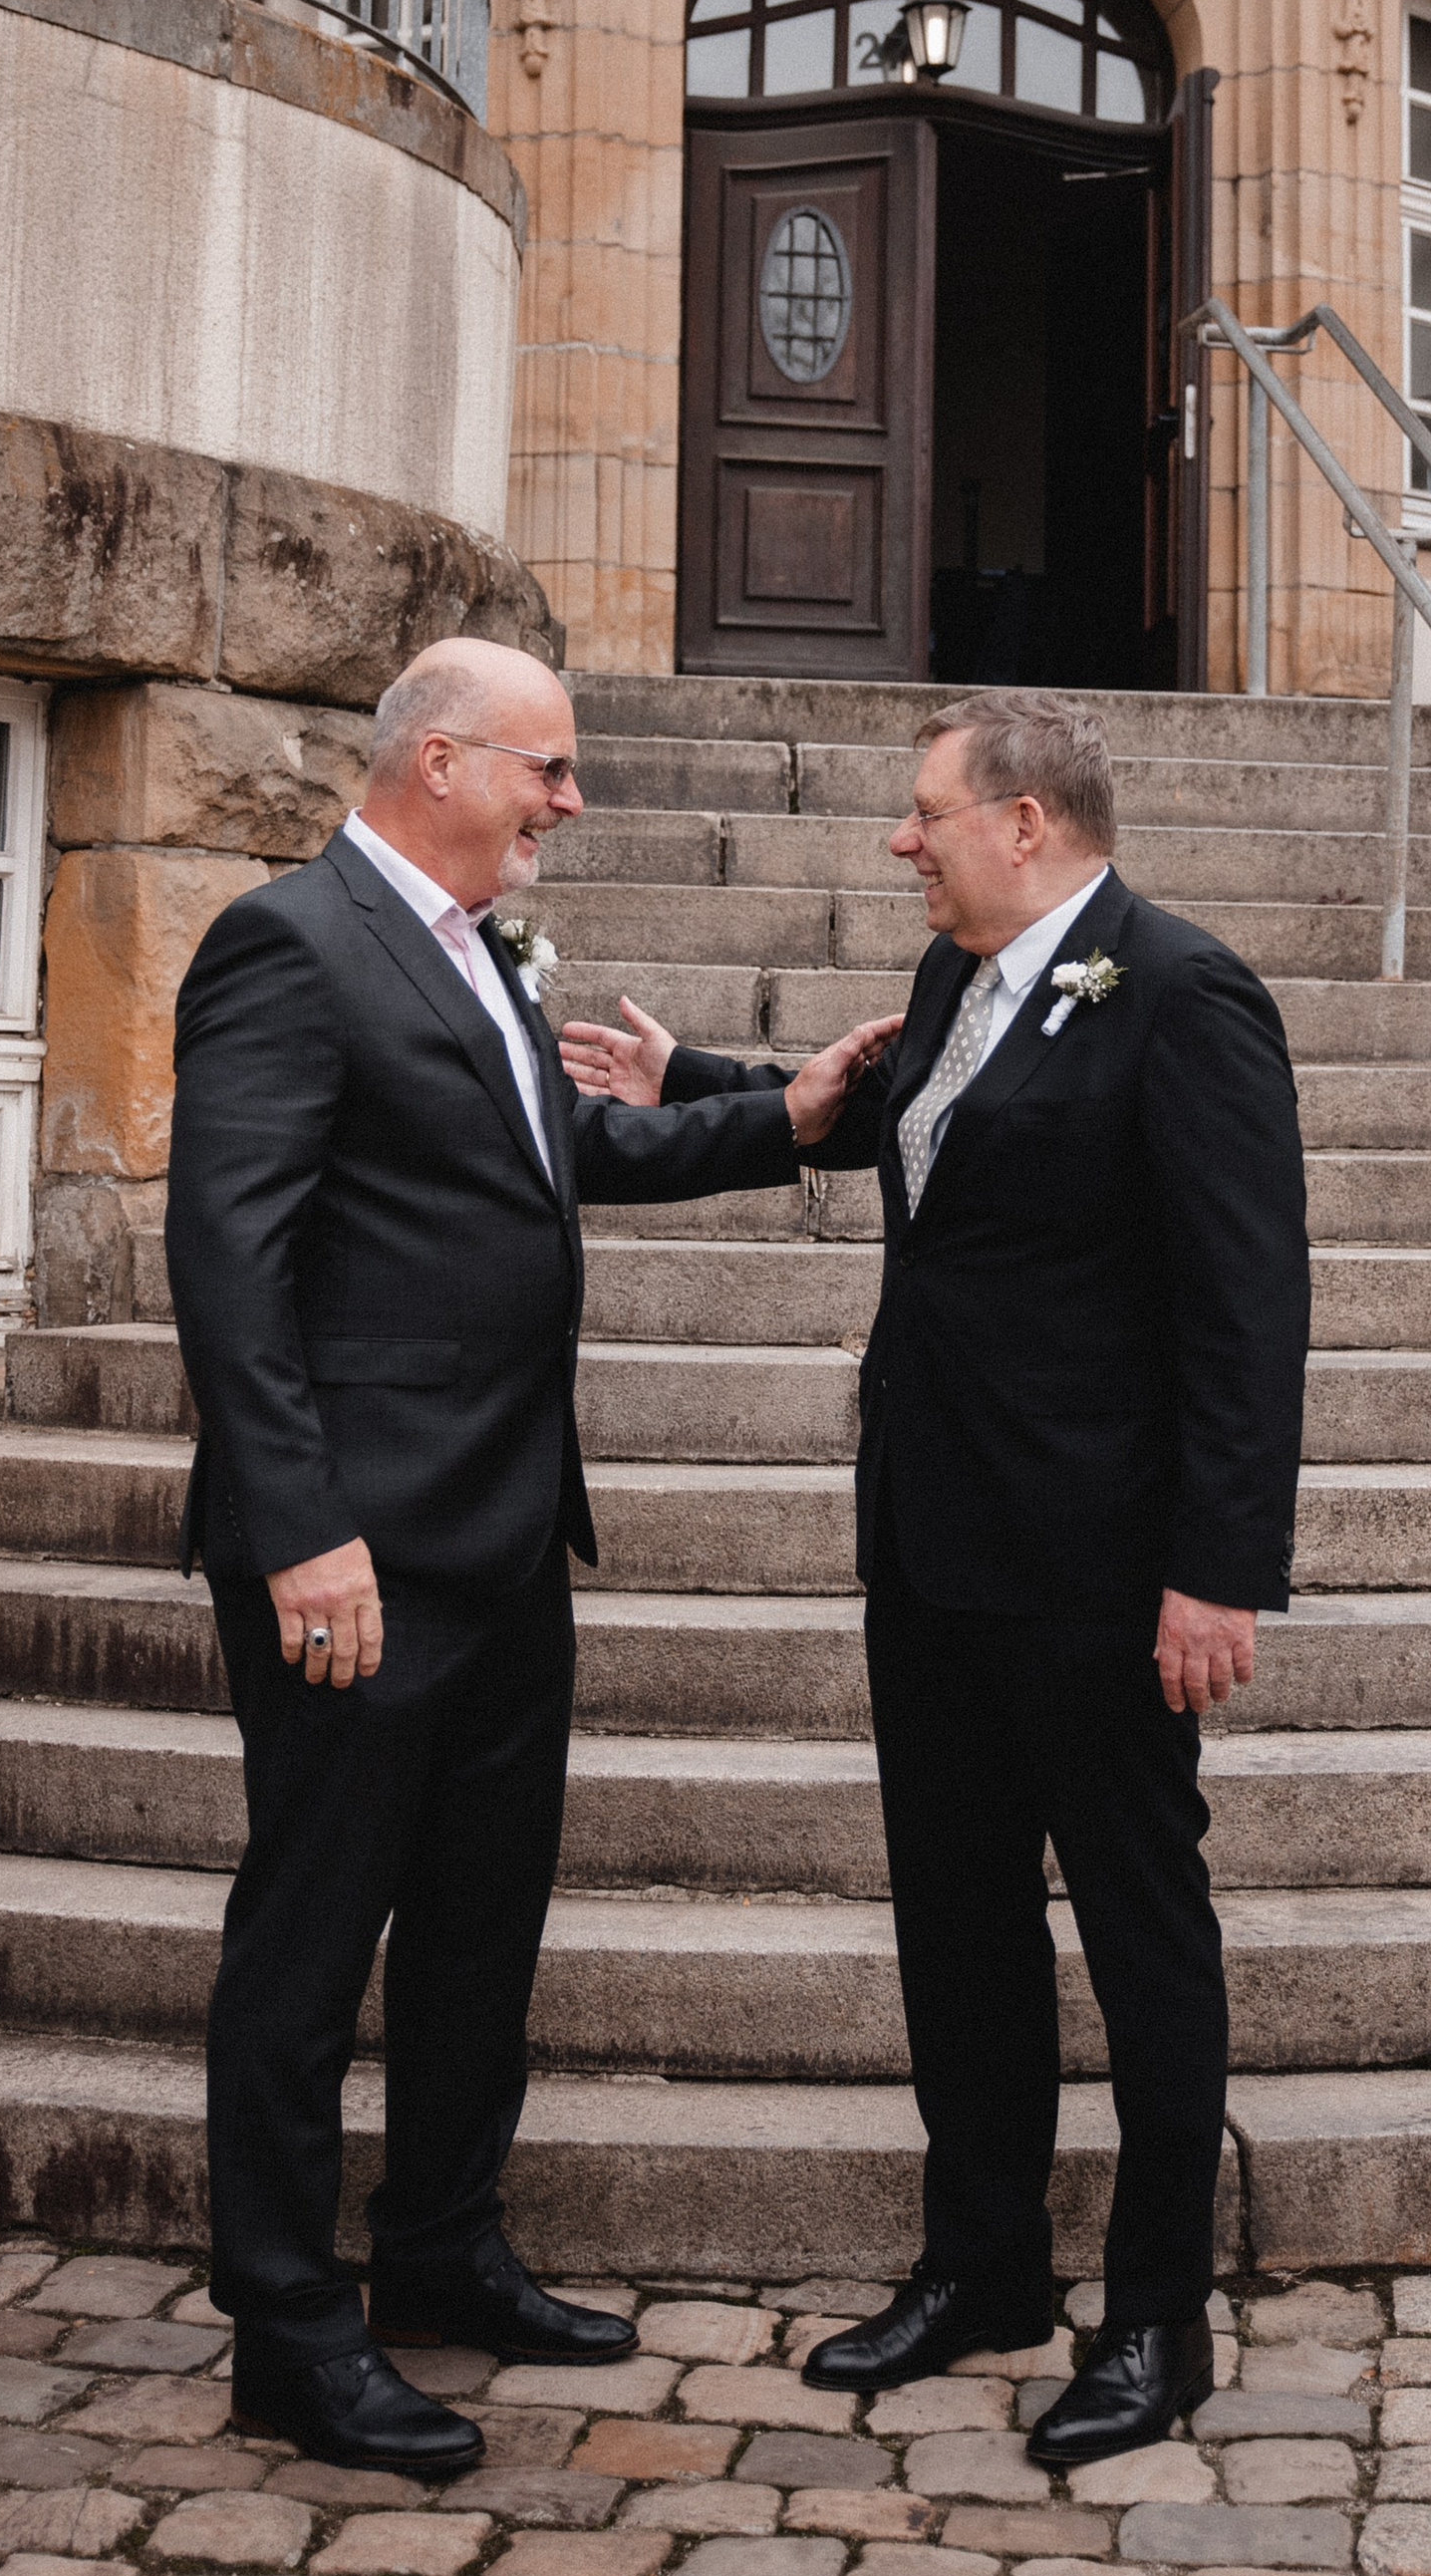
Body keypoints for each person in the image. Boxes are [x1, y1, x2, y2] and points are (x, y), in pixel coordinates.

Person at [165, 636, 896, 2478]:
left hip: (504, 1537)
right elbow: (228, 1264)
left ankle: (440, 2247)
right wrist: (300, 1527)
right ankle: (286, 2327)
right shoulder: (289, 942)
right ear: (436, 762)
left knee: (485, 1923)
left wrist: (782, 1122)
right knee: (311, 1939)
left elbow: (552, 1149)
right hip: (357, 1554)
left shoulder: (474, 944)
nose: (570, 799)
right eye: (546, 768)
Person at [559, 687, 1308, 2465]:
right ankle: (982, 2266)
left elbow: (1248, 1310)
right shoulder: (964, 984)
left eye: (925, 812)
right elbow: (900, 1135)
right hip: (933, 1543)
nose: (902, 838)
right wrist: (706, 1091)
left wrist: (1218, 1570)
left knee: (1142, 1939)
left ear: (1027, 822)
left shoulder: (1183, 993)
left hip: (1103, 1571)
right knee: (956, 1923)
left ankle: (1154, 2320)